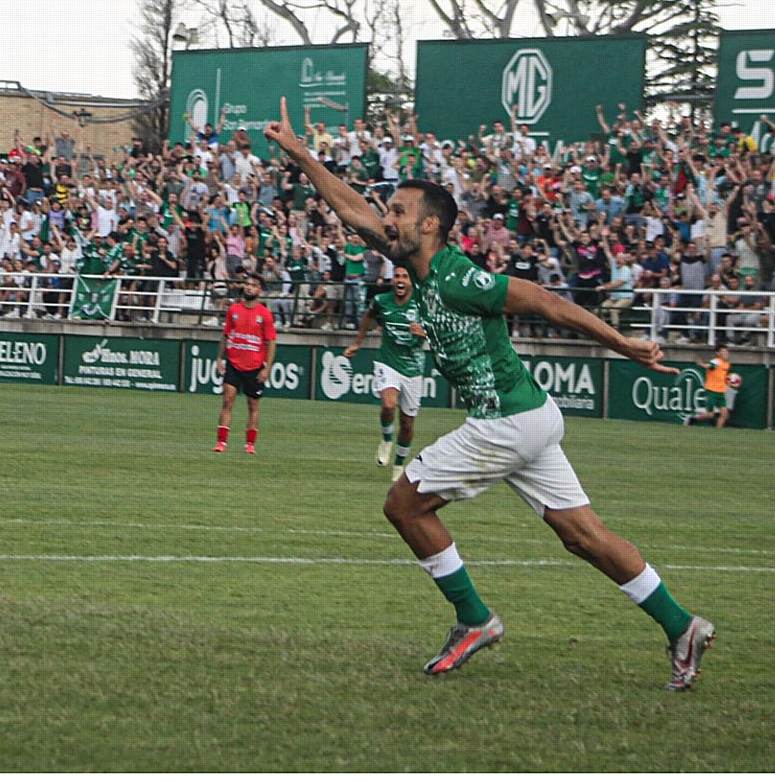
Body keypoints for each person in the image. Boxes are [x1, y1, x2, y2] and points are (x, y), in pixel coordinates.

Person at [263, 97, 713, 691]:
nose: (384, 217)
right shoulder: (414, 265)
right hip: (530, 416)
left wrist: (622, 345)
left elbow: (549, 303)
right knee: (584, 536)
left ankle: (475, 619)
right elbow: (350, 211)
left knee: (403, 505)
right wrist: (300, 155)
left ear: (429, 224)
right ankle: (682, 626)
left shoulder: (458, 277)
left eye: (397, 211)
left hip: (506, 420)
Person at [343, 265, 427, 482]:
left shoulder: (422, 302)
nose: (400, 280)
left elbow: (440, 328)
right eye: (397, 276)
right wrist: (357, 343)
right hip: (387, 362)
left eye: (405, 277)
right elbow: (368, 316)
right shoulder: (382, 301)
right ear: (392, 280)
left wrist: (425, 332)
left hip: (413, 369)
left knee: (407, 424)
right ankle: (386, 439)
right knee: (388, 405)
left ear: (411, 281)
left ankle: (399, 465)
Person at [213, 272, 277, 454]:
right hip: (234, 363)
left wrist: (267, 368)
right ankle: (221, 442)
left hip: (255, 366)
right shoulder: (233, 310)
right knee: (227, 400)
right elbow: (226, 335)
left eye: (254, 285)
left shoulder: (265, 314)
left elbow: (271, 342)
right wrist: (219, 358)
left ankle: (250, 444)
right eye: (247, 284)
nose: (249, 287)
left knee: (253, 405)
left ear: (260, 291)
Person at [685, 344, 730, 428]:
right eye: (723, 351)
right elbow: (709, 365)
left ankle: (718, 432)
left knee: (724, 413)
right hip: (711, 391)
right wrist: (702, 364)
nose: (726, 353)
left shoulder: (727, 364)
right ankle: (693, 419)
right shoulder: (716, 361)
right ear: (718, 353)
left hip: (721, 392)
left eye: (726, 351)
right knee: (710, 414)